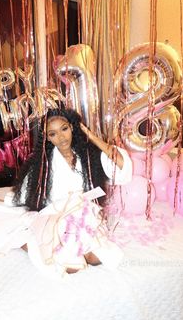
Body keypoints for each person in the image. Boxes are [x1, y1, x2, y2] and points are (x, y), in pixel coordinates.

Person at [13, 107, 132, 274]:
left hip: (85, 217)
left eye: (64, 129)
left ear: (72, 127)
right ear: (47, 138)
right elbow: (27, 197)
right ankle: (30, 241)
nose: (61, 137)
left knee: (96, 258)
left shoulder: (89, 155)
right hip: (57, 218)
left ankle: (55, 243)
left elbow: (120, 166)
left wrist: (91, 137)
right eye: (53, 134)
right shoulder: (41, 165)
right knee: (70, 267)